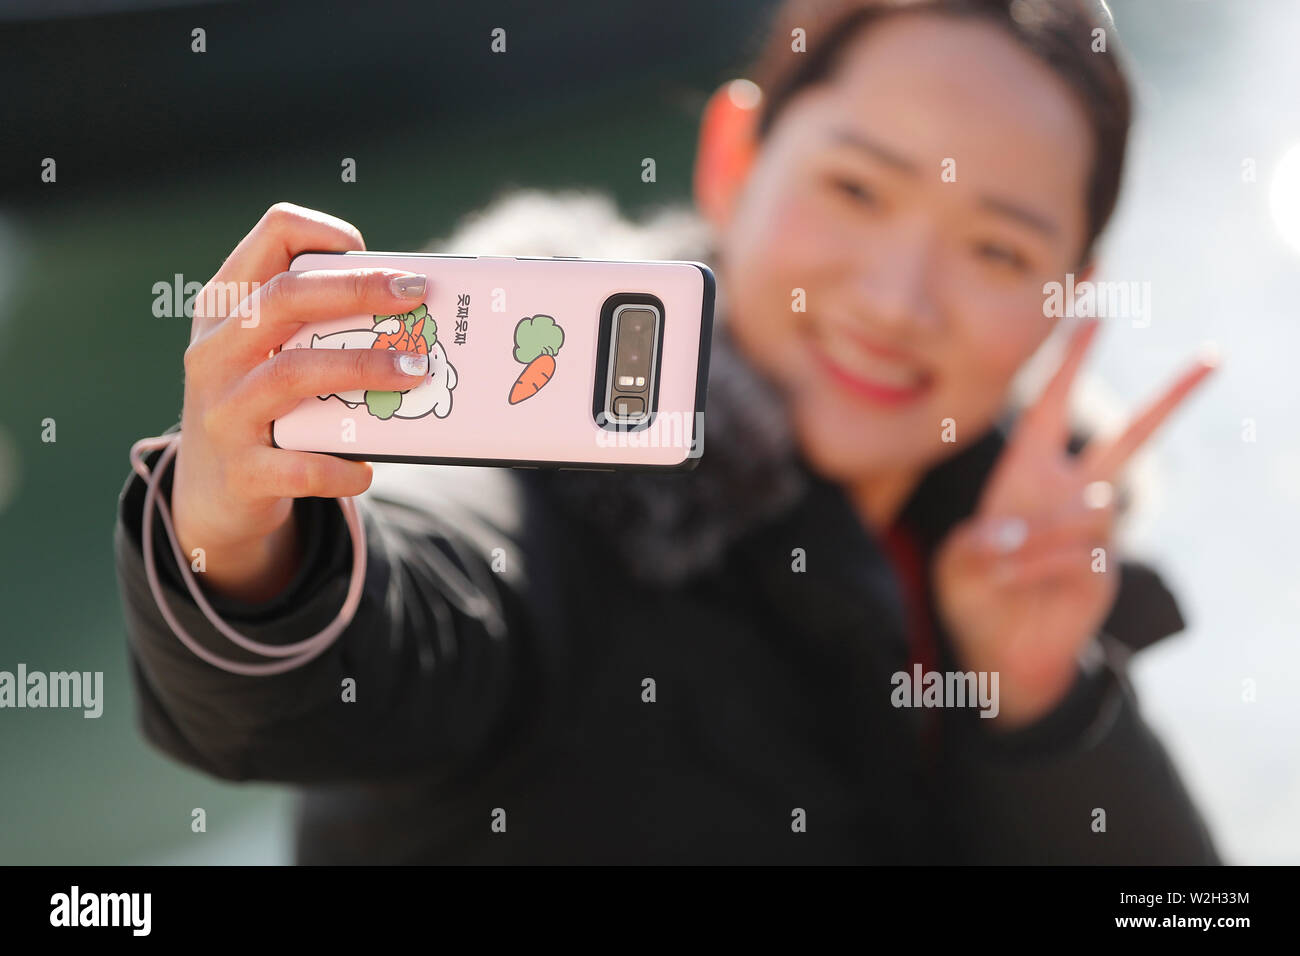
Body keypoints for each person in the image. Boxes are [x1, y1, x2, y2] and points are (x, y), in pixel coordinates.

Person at [113, 0, 1221, 863]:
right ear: (734, 156)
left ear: (1065, 295)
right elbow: (382, 636)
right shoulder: (551, 481)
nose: (896, 299)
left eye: (995, 251)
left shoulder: (1027, 549)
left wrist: (1041, 702)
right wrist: (239, 546)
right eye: (853, 188)